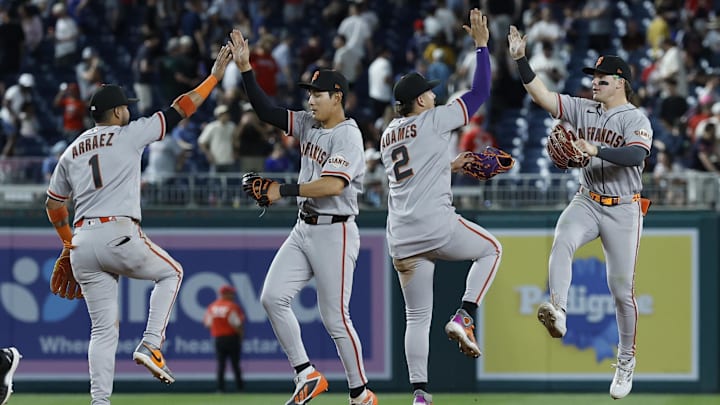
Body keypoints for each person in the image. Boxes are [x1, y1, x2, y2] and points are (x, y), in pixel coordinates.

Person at [44, 45, 233, 405]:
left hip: (83, 240)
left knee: (102, 331)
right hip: (118, 232)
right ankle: (151, 344)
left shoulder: (70, 150)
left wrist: (68, 243)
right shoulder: (129, 133)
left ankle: (100, 402)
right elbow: (182, 108)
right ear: (116, 111)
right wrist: (213, 78)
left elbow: (53, 205)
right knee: (172, 273)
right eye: (125, 106)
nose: (128, 109)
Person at [228, 29, 377, 405]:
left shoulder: (348, 136)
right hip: (304, 228)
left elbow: (332, 186)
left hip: (335, 231)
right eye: (308, 93)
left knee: (335, 319)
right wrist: (246, 68)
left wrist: (283, 190)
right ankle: (306, 374)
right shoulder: (309, 123)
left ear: (337, 97)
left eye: (316, 94)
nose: (310, 99)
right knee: (272, 297)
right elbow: (266, 111)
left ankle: (361, 395)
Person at [508, 26, 653, 400]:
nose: (594, 83)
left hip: (623, 208)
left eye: (601, 79)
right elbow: (541, 95)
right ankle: (558, 310)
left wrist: (594, 149)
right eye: (592, 77)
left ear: (620, 83)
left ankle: (626, 359)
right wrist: (521, 58)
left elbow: (636, 155)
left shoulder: (635, 119)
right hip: (588, 198)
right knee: (562, 240)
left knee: (622, 291)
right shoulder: (582, 107)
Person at [379, 9, 501, 405]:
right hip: (435, 225)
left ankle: (419, 394)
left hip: (401, 236)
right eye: (429, 92)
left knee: (417, 317)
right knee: (491, 250)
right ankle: (465, 314)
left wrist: (451, 164)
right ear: (419, 100)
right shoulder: (432, 119)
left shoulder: (386, 135)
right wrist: (482, 46)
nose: (434, 94)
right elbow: (479, 93)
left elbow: (412, 172)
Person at [203, 284, 246, 392]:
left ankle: (220, 388)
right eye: (231, 293)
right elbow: (237, 323)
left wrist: (217, 330)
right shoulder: (232, 306)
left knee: (221, 364)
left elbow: (208, 324)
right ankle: (240, 388)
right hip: (232, 337)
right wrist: (241, 336)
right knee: (235, 364)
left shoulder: (212, 307)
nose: (233, 295)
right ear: (225, 294)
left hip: (218, 338)